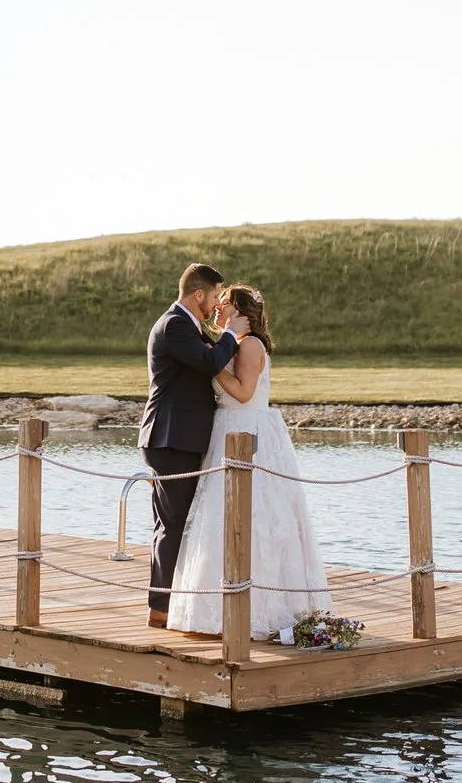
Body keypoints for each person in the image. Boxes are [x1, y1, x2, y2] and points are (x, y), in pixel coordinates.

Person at [165, 284, 331, 640]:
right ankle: (216, 605)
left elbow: (243, 392)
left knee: (255, 516)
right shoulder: (237, 344)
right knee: (220, 518)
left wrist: (212, 367)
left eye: (225, 305)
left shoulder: (250, 344)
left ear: (241, 312)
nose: (219, 310)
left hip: (246, 431)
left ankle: (259, 608)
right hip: (228, 429)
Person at [138, 263, 249, 628]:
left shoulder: (186, 324)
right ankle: (161, 608)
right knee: (172, 525)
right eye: (215, 295)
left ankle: (169, 601)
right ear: (198, 294)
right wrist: (232, 333)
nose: (216, 302)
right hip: (171, 437)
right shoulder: (175, 325)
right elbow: (209, 362)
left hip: (179, 436)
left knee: (174, 523)